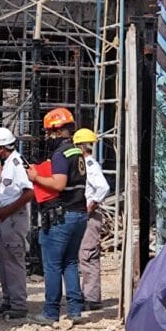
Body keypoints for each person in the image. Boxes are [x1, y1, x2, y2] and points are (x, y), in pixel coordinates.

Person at [25, 107, 88, 325]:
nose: (47, 137)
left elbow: (59, 184)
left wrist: (35, 176)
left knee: (52, 265)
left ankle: (50, 313)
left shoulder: (61, 154)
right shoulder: (77, 152)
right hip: (79, 214)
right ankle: (74, 310)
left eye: (49, 133)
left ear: (56, 131)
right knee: (70, 262)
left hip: (62, 216)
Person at [0, 127, 34, 319]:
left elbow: (29, 192)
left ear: (1, 148)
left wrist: (8, 210)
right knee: (2, 260)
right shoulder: (7, 163)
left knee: (14, 261)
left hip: (13, 218)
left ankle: (18, 304)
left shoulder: (16, 163)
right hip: (5, 217)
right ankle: (8, 300)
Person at [72, 128, 110, 311]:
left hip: (90, 215)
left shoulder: (89, 165)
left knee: (88, 255)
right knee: (83, 255)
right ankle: (86, 294)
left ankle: (92, 298)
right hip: (85, 214)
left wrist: (90, 206)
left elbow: (103, 188)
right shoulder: (84, 164)